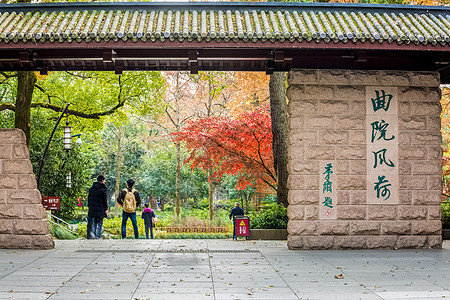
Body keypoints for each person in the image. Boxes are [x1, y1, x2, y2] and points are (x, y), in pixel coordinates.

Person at [87, 175, 108, 239]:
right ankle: (98, 236)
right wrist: (106, 208)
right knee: (100, 223)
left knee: (94, 223)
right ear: (102, 180)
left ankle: (93, 234)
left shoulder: (91, 189)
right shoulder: (103, 189)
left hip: (92, 209)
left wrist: (89, 208)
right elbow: (104, 200)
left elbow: (89, 199)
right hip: (100, 210)